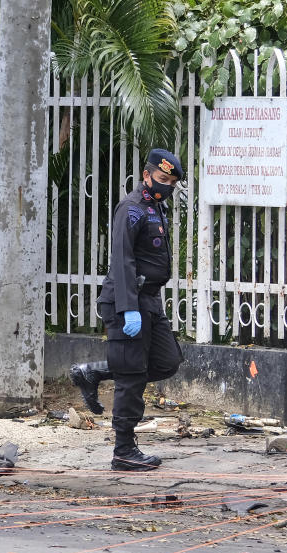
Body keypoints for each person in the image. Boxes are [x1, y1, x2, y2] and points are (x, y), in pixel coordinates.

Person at [69, 149, 185, 471]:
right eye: (162, 180)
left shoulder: (154, 207)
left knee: (167, 361)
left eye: (171, 183)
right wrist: (128, 307)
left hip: (149, 300)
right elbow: (121, 260)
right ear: (146, 174)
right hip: (126, 300)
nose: (166, 187)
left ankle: (95, 371)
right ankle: (123, 450)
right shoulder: (131, 208)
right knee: (132, 375)